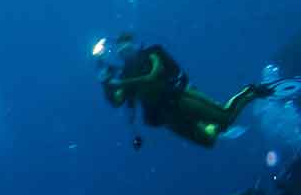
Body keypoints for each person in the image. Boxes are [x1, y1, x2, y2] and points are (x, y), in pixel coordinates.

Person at [95, 33, 273, 148]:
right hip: (166, 117)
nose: (125, 52)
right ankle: (211, 126)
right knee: (208, 141)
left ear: (134, 45)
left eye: (127, 47)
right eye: (121, 51)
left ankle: (251, 92)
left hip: (180, 97)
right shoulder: (124, 77)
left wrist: (119, 82)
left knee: (226, 118)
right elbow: (117, 101)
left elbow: (153, 75)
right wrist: (106, 84)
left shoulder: (151, 53)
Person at [221, 156, 299, 195]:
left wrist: (280, 181)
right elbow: (288, 170)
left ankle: (254, 194)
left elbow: (287, 170)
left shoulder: (296, 162)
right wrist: (280, 181)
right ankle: (254, 194)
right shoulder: (296, 162)